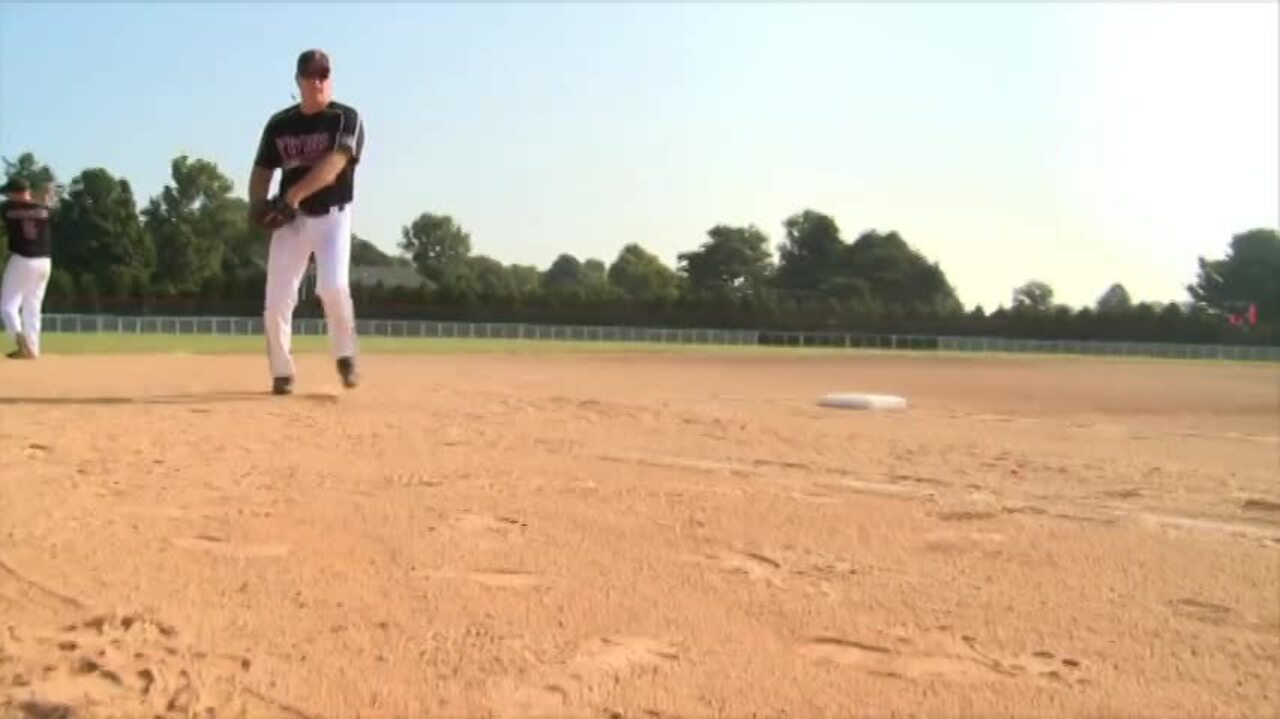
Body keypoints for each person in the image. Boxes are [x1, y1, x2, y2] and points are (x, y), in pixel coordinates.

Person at [249, 48, 365, 395]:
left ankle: (346, 356)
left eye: (323, 74)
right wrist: (256, 205)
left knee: (331, 287)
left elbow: (334, 165)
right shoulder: (279, 124)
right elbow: (261, 170)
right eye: (310, 75)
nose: (317, 81)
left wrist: (292, 196)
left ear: (330, 78)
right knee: (277, 301)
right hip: (291, 221)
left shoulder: (345, 118)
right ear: (298, 80)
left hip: (333, 217)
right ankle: (282, 373)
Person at [0, 177, 54, 360]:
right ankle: (33, 349)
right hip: (44, 262)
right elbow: (41, 203)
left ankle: (19, 340)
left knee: (8, 306)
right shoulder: (43, 209)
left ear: (16, 193)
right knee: (33, 307)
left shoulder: (7, 208)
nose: (7, 195)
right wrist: (44, 194)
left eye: (10, 192)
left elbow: (18, 205)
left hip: (22, 259)